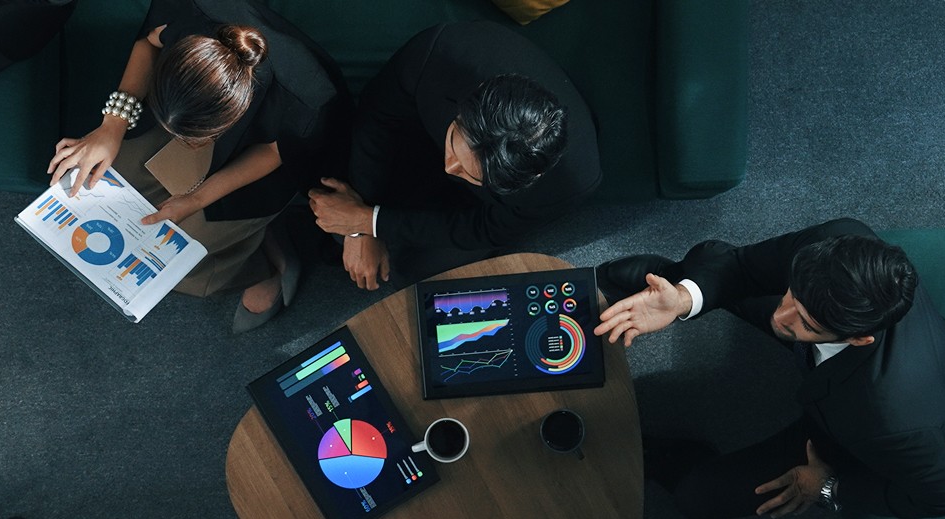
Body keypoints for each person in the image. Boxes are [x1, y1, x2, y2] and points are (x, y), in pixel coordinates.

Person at [593, 218, 945, 519]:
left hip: (849, 425)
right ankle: (665, 293)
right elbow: (742, 265)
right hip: (849, 361)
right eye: (793, 293)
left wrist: (830, 487)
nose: (781, 314)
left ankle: (677, 456)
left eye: (806, 322)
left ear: (856, 339)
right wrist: (683, 298)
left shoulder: (892, 423)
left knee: (697, 499)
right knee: (712, 257)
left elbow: (944, 497)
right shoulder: (840, 238)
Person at [45, 0, 351, 332]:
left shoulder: (306, 99)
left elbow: (274, 152)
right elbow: (149, 42)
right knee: (110, 174)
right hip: (204, 100)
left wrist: (196, 199)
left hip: (267, 152)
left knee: (191, 258)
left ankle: (261, 266)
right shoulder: (192, 11)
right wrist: (113, 125)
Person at [308, 21, 600, 290]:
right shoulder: (439, 53)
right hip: (414, 141)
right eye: (454, 146)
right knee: (331, 194)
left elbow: (484, 228)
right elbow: (377, 122)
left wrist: (367, 221)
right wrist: (361, 223)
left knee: (408, 273)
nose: (450, 167)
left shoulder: (566, 187)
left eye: (468, 172)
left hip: (474, 207)